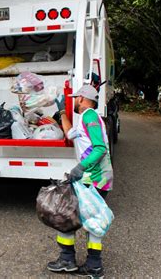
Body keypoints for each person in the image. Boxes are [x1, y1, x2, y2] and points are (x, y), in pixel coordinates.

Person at [47, 84, 113, 278]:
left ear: (83, 99)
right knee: (89, 218)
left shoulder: (90, 115)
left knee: (66, 213)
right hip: (97, 177)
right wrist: (61, 113)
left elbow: (99, 148)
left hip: (92, 177)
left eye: (76, 98)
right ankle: (92, 264)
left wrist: (80, 167)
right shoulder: (85, 119)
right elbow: (70, 134)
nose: (74, 101)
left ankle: (69, 260)